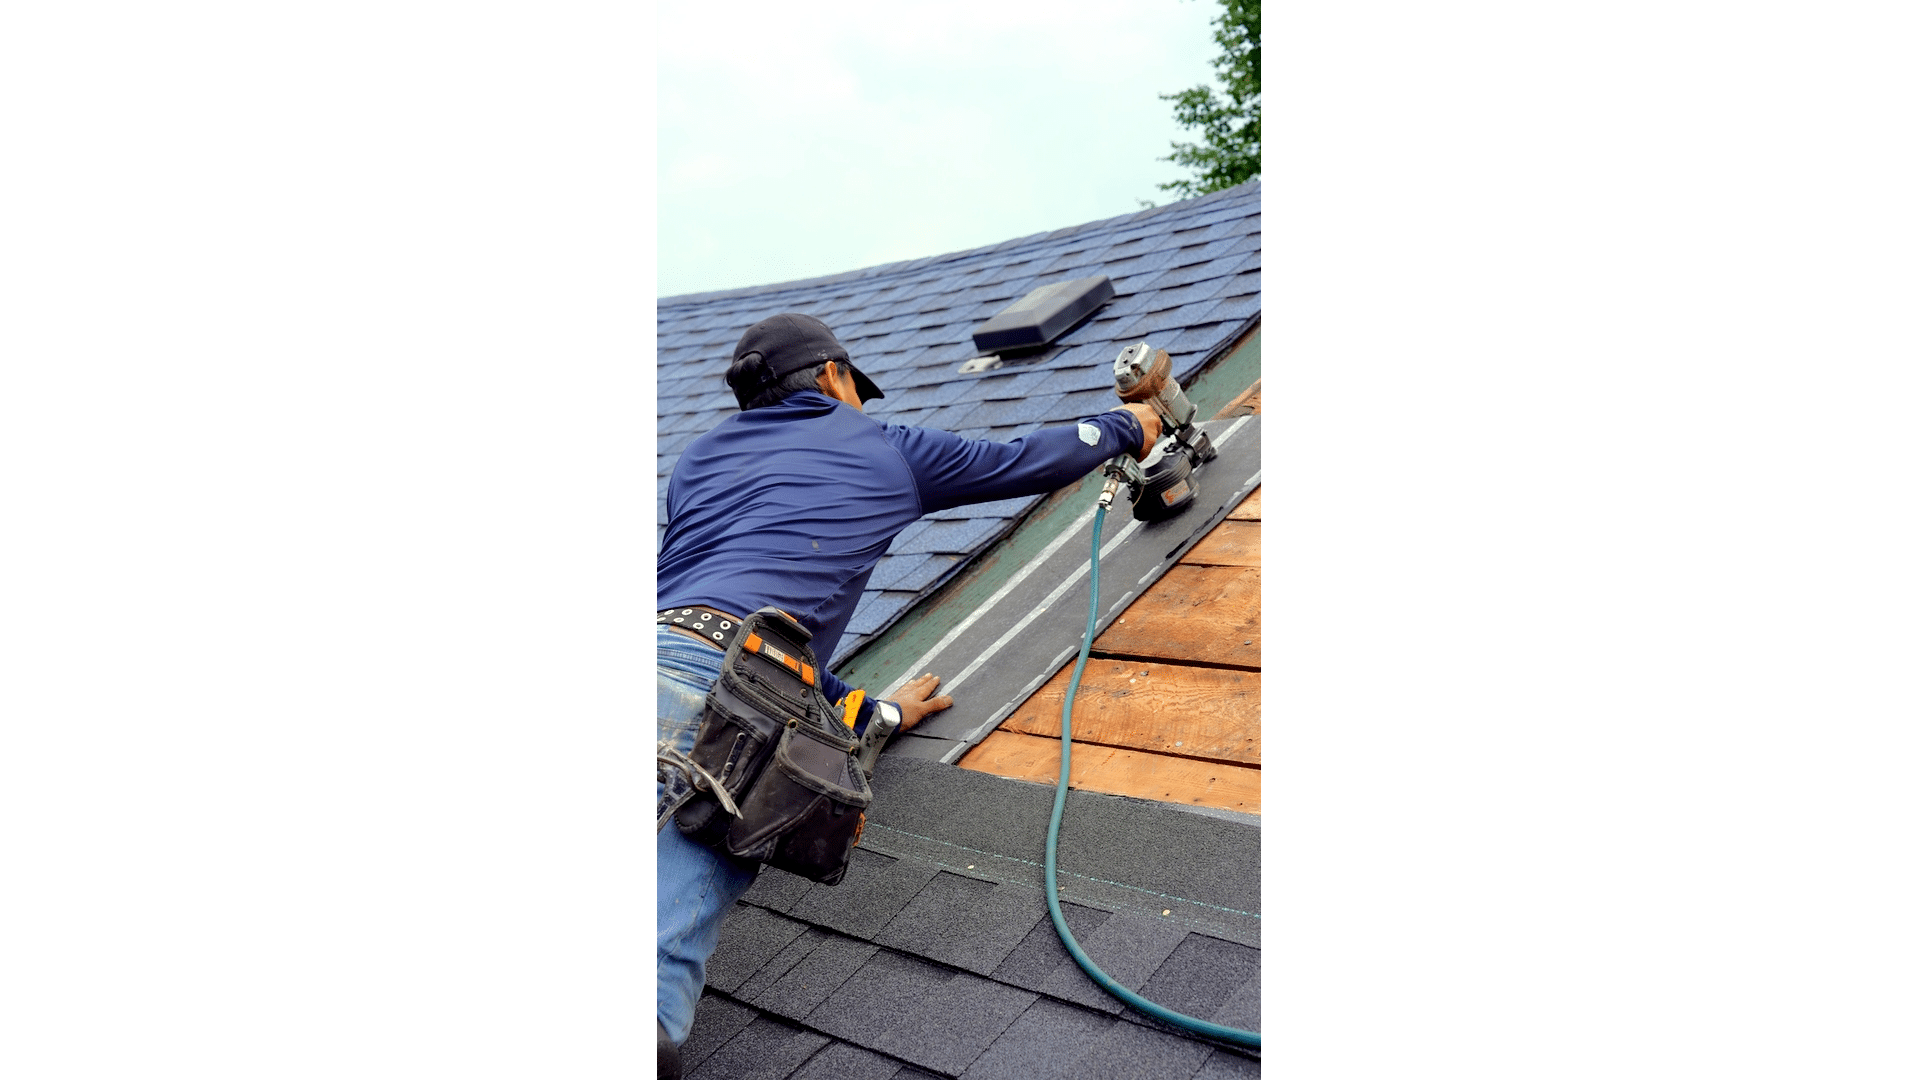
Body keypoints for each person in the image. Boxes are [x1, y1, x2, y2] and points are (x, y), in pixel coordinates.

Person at [655, 312, 1158, 1076]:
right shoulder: (879, 445)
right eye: (856, 387)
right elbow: (1024, 457)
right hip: (727, 694)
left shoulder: (697, 461)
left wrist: (879, 712)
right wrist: (1128, 424)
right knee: (660, 947)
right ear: (832, 377)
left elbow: (736, 611)